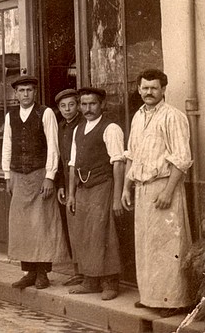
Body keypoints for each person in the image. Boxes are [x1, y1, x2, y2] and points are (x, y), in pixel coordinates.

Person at [122, 69, 193, 317]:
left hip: (164, 187)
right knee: (146, 245)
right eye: (144, 88)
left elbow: (182, 159)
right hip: (142, 189)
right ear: (139, 89)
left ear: (163, 89)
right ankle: (152, 296)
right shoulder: (138, 117)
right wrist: (126, 187)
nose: (148, 92)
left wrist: (168, 191)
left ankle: (173, 300)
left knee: (168, 245)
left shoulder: (173, 117)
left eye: (153, 88)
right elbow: (131, 154)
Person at [2, 75, 68, 290]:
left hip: (40, 173)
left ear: (35, 92)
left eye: (29, 90)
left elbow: (53, 146)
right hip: (18, 175)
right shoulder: (10, 116)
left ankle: (42, 273)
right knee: (22, 226)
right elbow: (7, 145)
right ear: (16, 94)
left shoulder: (45, 113)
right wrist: (7, 175)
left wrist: (50, 176)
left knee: (42, 224)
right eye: (21, 91)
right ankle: (28, 271)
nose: (25, 94)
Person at [66, 87, 124, 300]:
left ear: (102, 105)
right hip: (82, 189)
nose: (87, 108)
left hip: (103, 186)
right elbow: (73, 164)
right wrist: (71, 194)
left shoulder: (111, 128)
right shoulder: (78, 129)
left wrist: (117, 197)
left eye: (92, 104)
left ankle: (110, 282)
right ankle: (90, 280)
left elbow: (118, 164)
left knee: (103, 232)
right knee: (84, 232)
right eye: (84, 104)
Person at [54, 88, 84, 287]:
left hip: (84, 182)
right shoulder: (61, 127)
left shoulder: (83, 125)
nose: (67, 109)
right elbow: (60, 158)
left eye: (71, 105)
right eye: (63, 106)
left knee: (84, 228)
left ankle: (86, 270)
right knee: (70, 227)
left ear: (78, 105)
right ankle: (77, 269)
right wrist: (61, 185)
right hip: (67, 182)